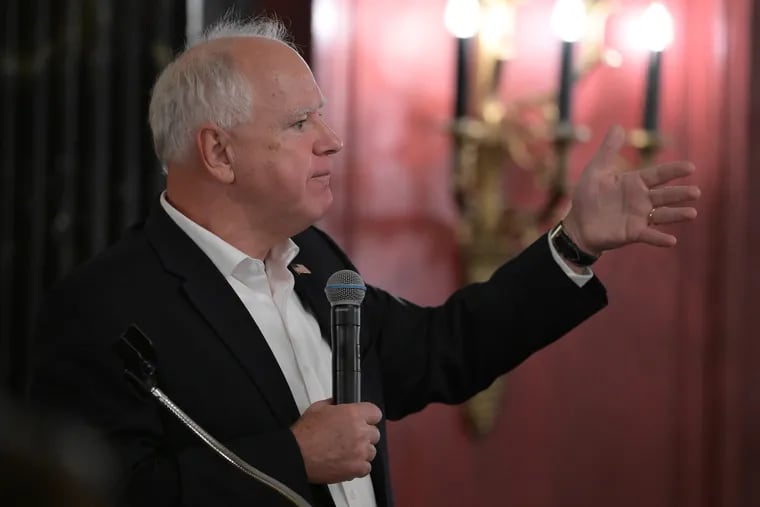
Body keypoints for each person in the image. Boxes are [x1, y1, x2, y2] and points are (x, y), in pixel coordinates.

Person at [27, 16, 701, 507]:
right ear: (219, 153)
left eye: (323, 117)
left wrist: (574, 242)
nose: (334, 141)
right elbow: (103, 494)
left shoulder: (315, 262)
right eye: (300, 124)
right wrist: (294, 456)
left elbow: (444, 347)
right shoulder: (106, 308)